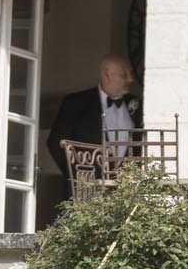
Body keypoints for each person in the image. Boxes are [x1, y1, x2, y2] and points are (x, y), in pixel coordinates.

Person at [46, 54, 142, 190]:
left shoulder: (137, 105)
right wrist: (77, 178)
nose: (131, 79)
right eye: (124, 75)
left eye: (131, 74)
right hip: (86, 191)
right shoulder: (76, 103)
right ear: (107, 75)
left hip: (127, 193)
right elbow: (56, 144)